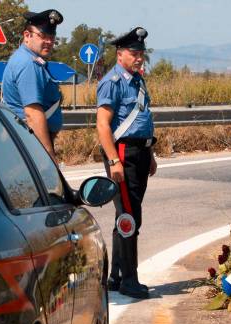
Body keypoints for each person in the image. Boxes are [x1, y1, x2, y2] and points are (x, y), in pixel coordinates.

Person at [96, 27, 157, 299]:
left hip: (139, 153)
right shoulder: (113, 81)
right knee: (129, 216)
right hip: (121, 153)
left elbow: (142, 120)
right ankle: (130, 281)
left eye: (141, 53)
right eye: (133, 53)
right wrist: (113, 160)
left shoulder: (137, 81)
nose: (139, 58)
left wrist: (150, 153)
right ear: (120, 54)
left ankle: (116, 275)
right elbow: (103, 124)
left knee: (128, 213)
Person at [2, 9, 63, 159]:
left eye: (51, 37)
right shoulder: (28, 64)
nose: (49, 42)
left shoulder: (30, 60)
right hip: (31, 142)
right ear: (27, 36)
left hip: (29, 139)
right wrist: (48, 155)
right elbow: (32, 113)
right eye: (43, 36)